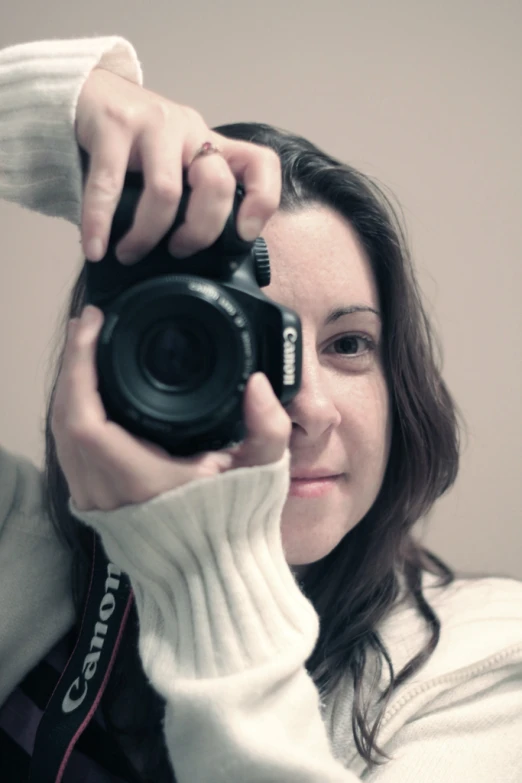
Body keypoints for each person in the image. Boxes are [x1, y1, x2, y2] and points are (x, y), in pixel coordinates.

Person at [0, 34, 521, 783]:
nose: (304, 408)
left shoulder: (483, 661)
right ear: (113, 354)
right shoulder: (16, 546)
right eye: (231, 345)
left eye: (347, 344)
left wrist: (205, 563)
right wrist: (59, 117)